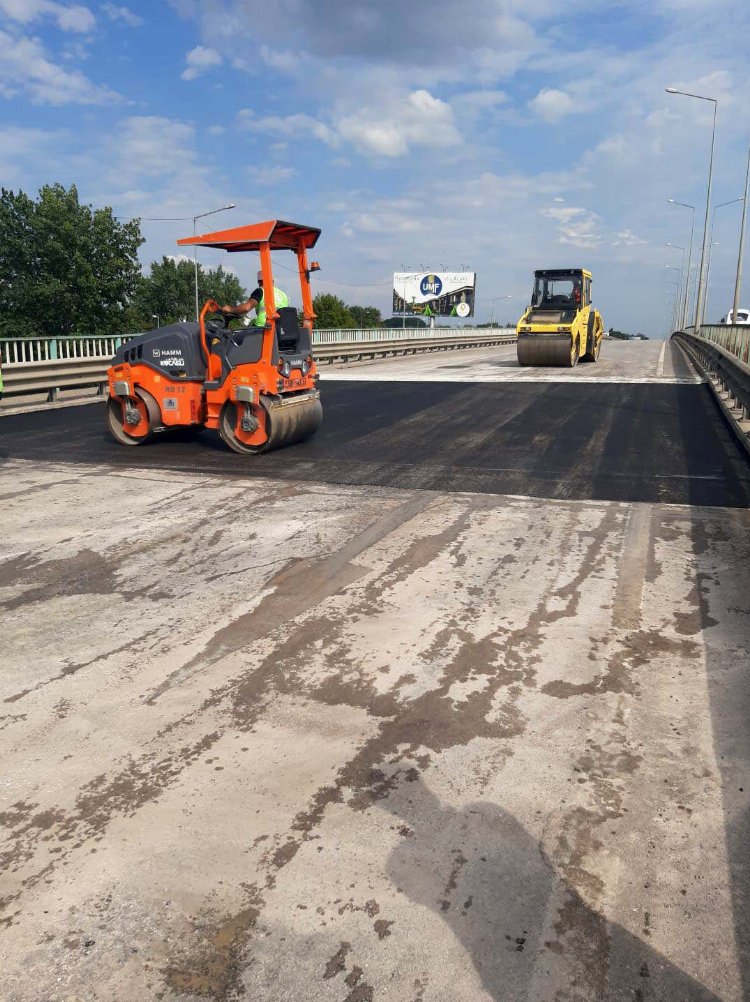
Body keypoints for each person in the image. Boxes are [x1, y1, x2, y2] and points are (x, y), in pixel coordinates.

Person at [221, 270, 289, 328]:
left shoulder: (260, 291)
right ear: (272, 281)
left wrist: (230, 309)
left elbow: (246, 308)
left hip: (263, 327)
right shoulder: (283, 295)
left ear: (259, 282)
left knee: (237, 338)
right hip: (280, 329)